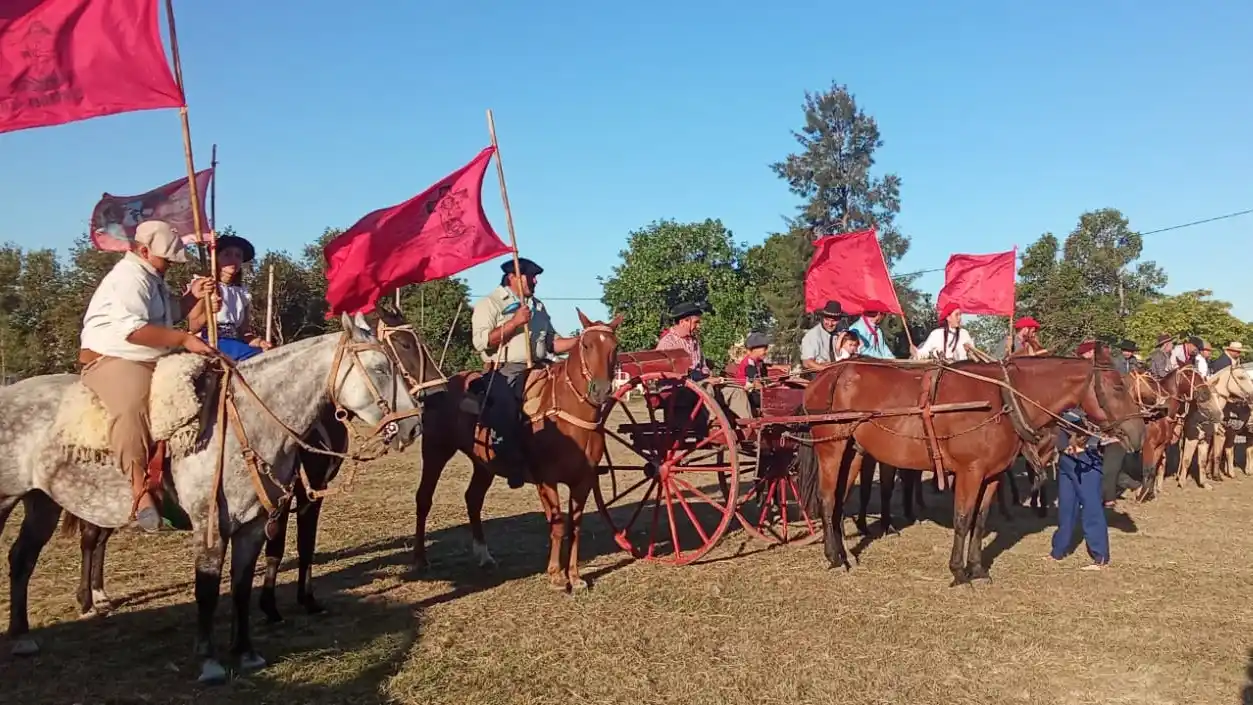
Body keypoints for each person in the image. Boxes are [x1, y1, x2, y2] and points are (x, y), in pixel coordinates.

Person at [78, 220, 218, 532]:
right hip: (116, 357)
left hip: (152, 356)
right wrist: (183, 340)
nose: (169, 264)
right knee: (131, 407)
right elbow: (134, 331)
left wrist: (193, 297)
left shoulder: (152, 278)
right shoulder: (130, 278)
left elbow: (169, 315)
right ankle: (139, 488)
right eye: (165, 258)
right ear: (143, 250)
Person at [470, 258, 577, 488]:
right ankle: (510, 459)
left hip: (540, 365)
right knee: (507, 406)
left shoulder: (537, 306)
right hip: (505, 369)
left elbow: (552, 343)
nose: (535, 280)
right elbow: (481, 342)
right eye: (531, 276)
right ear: (513, 277)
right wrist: (515, 323)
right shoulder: (490, 303)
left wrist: (581, 341)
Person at [656, 302, 753, 420]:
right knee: (707, 387)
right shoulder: (668, 343)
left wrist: (710, 376)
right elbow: (674, 375)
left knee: (736, 391)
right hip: (677, 390)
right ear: (683, 322)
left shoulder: (694, 341)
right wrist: (706, 380)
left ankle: (750, 427)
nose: (699, 326)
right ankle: (712, 425)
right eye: (696, 322)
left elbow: (703, 366)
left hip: (699, 387)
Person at [186, 234, 273, 362]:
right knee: (257, 358)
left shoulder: (242, 293)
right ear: (216, 258)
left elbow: (243, 332)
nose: (233, 259)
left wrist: (258, 342)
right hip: (209, 341)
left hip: (235, 343)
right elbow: (193, 326)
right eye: (227, 254)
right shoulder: (204, 285)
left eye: (238, 256)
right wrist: (209, 312)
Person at [1049, 406, 1111, 570]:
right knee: (1066, 508)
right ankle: (1058, 550)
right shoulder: (1066, 400)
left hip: (1086, 461)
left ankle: (1100, 557)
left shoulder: (1095, 401)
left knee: (1091, 508)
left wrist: (1090, 444)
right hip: (1066, 460)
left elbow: (1102, 424)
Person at [799, 301, 845, 371]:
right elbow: (807, 362)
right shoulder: (812, 335)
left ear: (839, 320)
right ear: (822, 318)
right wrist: (827, 369)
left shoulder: (842, 332)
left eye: (833, 321)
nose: (830, 324)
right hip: (817, 375)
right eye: (827, 320)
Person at [734, 332, 771, 411]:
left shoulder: (757, 361)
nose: (766, 352)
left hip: (752, 391)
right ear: (750, 351)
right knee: (772, 399)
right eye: (764, 349)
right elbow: (755, 383)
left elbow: (765, 366)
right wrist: (767, 389)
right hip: (747, 393)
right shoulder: (749, 363)